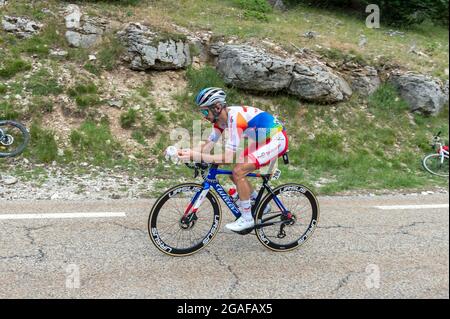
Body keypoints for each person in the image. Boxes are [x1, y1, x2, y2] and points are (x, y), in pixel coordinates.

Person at [178, 87, 289, 232]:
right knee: (233, 173)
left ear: (217, 107)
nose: (204, 116)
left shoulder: (235, 119)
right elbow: (208, 144)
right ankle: (259, 204)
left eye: (205, 111)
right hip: (262, 140)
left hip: (276, 139)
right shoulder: (220, 120)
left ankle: (247, 218)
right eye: (202, 112)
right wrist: (184, 152)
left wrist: (197, 156)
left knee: (238, 171)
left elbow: (228, 157)